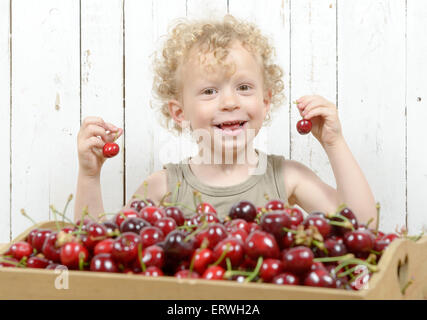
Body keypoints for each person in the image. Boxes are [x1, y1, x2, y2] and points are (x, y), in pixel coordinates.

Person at [74, 15, 377, 226]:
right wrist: (90, 176)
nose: (230, 102)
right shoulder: (163, 186)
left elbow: (362, 227)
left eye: (244, 87)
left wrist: (333, 143)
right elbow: (97, 249)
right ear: (180, 113)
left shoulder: (287, 177)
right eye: (209, 91)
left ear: (265, 101)